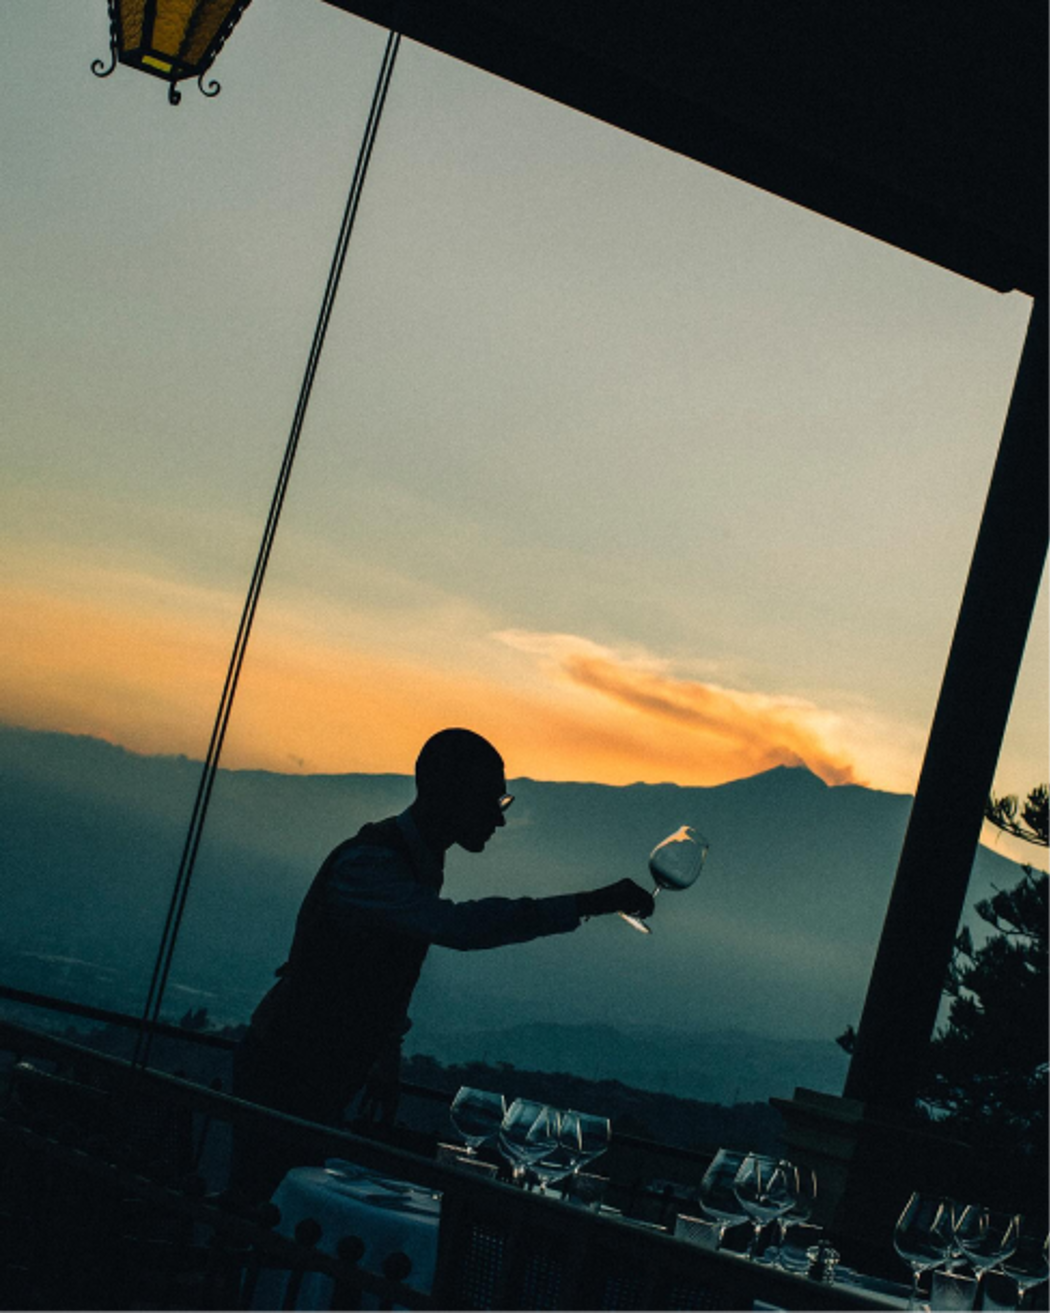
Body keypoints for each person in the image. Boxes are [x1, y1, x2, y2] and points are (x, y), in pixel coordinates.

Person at [231, 727, 654, 1196]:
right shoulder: (370, 865)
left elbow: (377, 971)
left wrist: (383, 1056)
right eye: (492, 801)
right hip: (290, 1067)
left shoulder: (410, 861)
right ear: (446, 793)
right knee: (264, 1200)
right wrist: (588, 902)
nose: (500, 820)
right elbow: (460, 928)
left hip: (313, 1068)